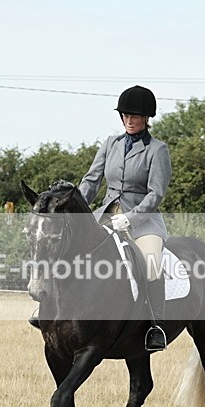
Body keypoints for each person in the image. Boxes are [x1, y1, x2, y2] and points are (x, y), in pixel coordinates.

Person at [28, 85, 171, 351]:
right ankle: (48, 310)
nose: (129, 120)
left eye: (135, 116)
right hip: (104, 216)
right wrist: (70, 208)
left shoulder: (157, 150)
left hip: (143, 222)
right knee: (67, 251)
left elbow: (155, 194)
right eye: (126, 115)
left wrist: (131, 218)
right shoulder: (110, 144)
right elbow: (91, 183)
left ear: (146, 118)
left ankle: (155, 326)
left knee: (151, 262)